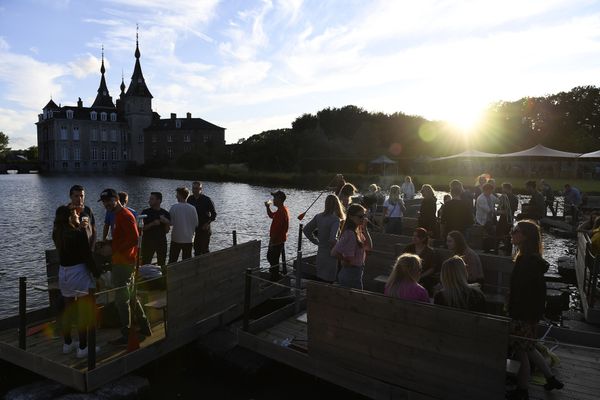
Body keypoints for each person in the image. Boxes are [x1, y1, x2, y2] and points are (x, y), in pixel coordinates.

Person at [506, 220, 563, 399]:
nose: (512, 233)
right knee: (529, 347)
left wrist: (513, 311)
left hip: (523, 314)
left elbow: (523, 292)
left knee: (522, 350)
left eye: (515, 231)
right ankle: (550, 378)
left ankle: (522, 390)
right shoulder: (530, 259)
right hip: (530, 314)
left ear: (525, 237)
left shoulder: (527, 262)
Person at [99, 188, 152, 345]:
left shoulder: (125, 215)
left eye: (108, 201)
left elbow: (134, 239)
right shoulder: (116, 215)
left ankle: (126, 335)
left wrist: (113, 249)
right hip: (121, 262)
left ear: (116, 199)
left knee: (122, 301)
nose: (106, 204)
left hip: (124, 264)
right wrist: (109, 243)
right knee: (131, 296)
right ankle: (145, 327)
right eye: (103, 202)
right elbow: (124, 238)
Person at [52, 205, 97, 358]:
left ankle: (68, 343)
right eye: (75, 215)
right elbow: (86, 256)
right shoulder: (77, 233)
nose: (78, 216)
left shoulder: (56, 232)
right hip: (78, 272)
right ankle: (83, 348)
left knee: (68, 308)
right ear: (70, 217)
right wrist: (98, 274)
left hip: (63, 273)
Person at [303, 195, 345, 283]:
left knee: (319, 280)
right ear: (337, 205)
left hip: (320, 254)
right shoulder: (335, 220)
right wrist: (341, 249)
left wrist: (315, 241)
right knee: (329, 283)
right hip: (331, 256)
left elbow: (306, 230)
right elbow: (332, 239)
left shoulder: (318, 216)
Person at [331, 203, 372, 289]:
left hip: (356, 272)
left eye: (364, 216)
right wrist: (345, 259)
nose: (363, 219)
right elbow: (334, 253)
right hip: (351, 273)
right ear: (351, 217)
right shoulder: (350, 233)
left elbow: (369, 247)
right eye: (360, 216)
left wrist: (365, 229)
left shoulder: (358, 232)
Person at [403, 227, 439, 296]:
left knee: (424, 284)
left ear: (423, 238)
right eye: (413, 235)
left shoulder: (430, 252)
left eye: (417, 236)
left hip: (423, 277)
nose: (414, 238)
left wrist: (420, 276)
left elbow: (432, 268)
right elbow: (402, 262)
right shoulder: (408, 248)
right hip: (408, 275)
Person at [141, 192, 170, 273]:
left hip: (161, 242)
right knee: (145, 263)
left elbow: (167, 231)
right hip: (148, 242)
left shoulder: (165, 213)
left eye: (152, 199)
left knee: (162, 263)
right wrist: (152, 224)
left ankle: (162, 280)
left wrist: (167, 222)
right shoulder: (145, 212)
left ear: (159, 201)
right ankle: (144, 282)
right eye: (150, 199)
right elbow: (141, 229)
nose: (149, 201)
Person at [168, 187, 198, 264]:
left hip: (176, 239)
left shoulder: (174, 207)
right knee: (187, 262)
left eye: (177, 194)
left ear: (180, 195)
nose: (176, 196)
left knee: (172, 261)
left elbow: (170, 223)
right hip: (189, 239)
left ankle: (171, 275)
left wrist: (163, 219)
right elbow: (196, 223)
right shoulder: (193, 208)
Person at [187, 181, 217, 256]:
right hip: (194, 229)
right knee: (196, 250)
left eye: (197, 188)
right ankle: (197, 266)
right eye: (193, 188)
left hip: (204, 229)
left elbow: (214, 214)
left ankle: (207, 266)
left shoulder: (207, 199)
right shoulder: (189, 199)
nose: (195, 190)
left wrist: (207, 224)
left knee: (204, 250)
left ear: (201, 189)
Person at [265, 190, 290, 281]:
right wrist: (267, 207)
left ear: (279, 199)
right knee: (272, 259)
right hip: (279, 240)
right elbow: (272, 215)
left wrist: (272, 242)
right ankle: (274, 277)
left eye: (275, 197)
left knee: (272, 259)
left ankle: (274, 280)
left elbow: (277, 230)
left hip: (276, 240)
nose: (273, 200)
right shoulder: (281, 210)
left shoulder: (281, 212)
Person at [67, 184, 96, 249]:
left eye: (82, 196)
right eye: (76, 196)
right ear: (71, 196)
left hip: (88, 249)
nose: (79, 199)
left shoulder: (87, 210)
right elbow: (62, 235)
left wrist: (92, 248)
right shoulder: (65, 212)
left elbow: (94, 230)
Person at [475, 183, 498, 253]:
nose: (491, 192)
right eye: (490, 190)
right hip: (483, 220)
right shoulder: (481, 198)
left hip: (490, 219)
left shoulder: (490, 195)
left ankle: (490, 248)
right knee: (489, 234)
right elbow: (488, 210)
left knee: (492, 233)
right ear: (486, 190)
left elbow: (497, 200)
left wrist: (503, 199)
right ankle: (486, 249)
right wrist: (500, 211)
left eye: (491, 191)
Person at [496, 183, 518, 254]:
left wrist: (496, 211)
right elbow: (514, 209)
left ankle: (495, 250)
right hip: (511, 220)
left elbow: (501, 211)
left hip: (503, 219)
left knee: (498, 234)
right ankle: (508, 251)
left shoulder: (503, 197)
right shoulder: (515, 198)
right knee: (509, 235)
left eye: (503, 188)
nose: (502, 190)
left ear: (506, 188)